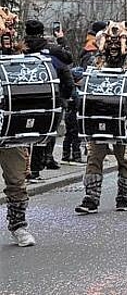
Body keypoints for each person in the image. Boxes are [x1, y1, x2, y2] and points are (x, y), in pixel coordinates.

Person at [75, 22, 127, 214]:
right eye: (111, 43)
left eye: (118, 43)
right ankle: (91, 198)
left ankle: (123, 195)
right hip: (98, 117)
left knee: (125, 159)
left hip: (124, 120)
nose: (114, 47)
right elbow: (87, 85)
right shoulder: (96, 63)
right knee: (94, 157)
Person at [22, 20, 74, 181]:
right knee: (42, 134)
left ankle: (22, 170)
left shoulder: (19, 50)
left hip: (22, 98)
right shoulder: (53, 50)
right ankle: (36, 169)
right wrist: (64, 98)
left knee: (22, 135)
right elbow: (68, 64)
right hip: (50, 99)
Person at [0, 9, 35, 246]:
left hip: (10, 128)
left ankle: (19, 226)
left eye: (10, 31)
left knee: (16, 179)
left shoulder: (18, 61)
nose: (8, 35)